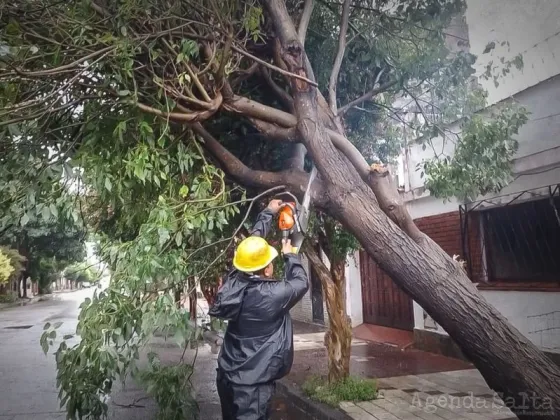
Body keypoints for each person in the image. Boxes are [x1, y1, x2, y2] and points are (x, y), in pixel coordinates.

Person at [208, 199, 309, 420]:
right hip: (251, 387)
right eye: (271, 261)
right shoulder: (273, 294)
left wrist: (268, 213)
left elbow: (251, 247)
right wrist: (290, 254)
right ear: (266, 270)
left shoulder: (234, 281)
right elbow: (301, 282)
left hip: (227, 375)